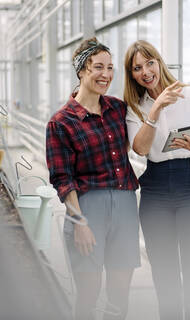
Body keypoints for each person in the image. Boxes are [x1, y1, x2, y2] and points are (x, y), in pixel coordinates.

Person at [123, 40, 190, 320]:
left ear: (159, 62)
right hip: (156, 187)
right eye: (137, 68)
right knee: (164, 274)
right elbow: (140, 149)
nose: (145, 72)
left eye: (149, 63)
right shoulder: (135, 106)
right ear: (132, 75)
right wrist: (154, 110)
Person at [46, 37, 140, 320]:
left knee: (120, 292)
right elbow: (63, 178)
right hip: (88, 210)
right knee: (88, 292)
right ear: (82, 71)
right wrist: (79, 222)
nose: (107, 75)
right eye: (98, 67)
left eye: (110, 68)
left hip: (125, 206)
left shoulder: (117, 109)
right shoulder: (61, 122)